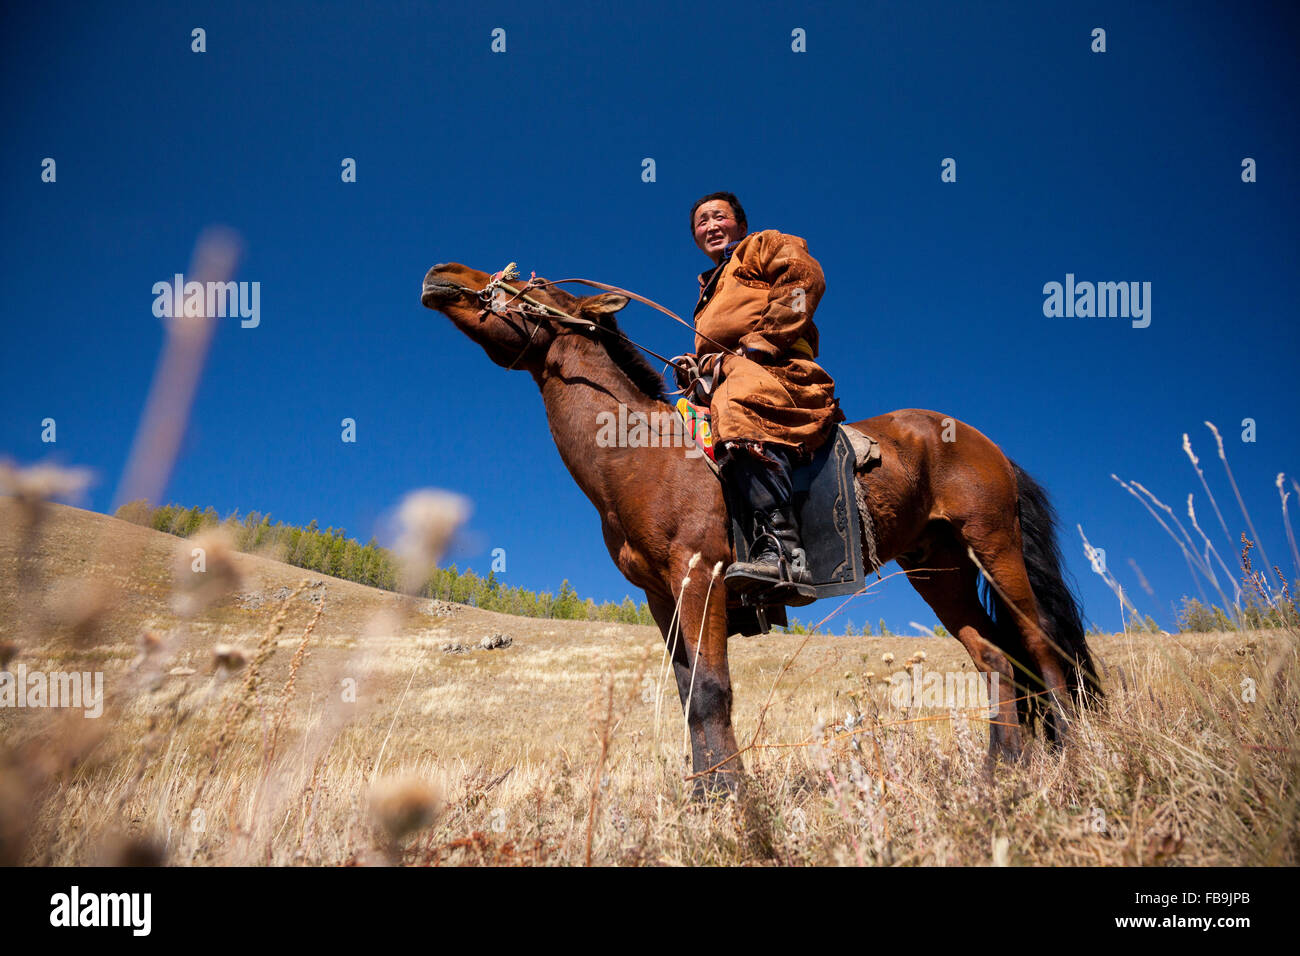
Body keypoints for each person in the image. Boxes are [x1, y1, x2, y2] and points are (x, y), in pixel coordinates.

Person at [683, 191, 845, 607]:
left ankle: (784, 552)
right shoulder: (708, 289)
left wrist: (759, 344)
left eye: (719, 217)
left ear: (740, 224)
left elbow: (804, 280)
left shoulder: (765, 243)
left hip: (781, 370)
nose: (711, 226)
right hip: (729, 373)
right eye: (702, 222)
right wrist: (697, 366)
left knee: (735, 404)